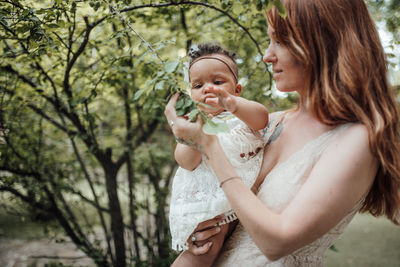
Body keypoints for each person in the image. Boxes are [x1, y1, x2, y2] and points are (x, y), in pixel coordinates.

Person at [165, 0, 400, 266]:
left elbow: (276, 242)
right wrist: (206, 231)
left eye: (280, 41)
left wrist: (208, 145)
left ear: (321, 42)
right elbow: (232, 205)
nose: (267, 55)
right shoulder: (271, 123)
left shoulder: (357, 139)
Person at [169, 43, 269, 252]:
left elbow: (262, 119)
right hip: (207, 205)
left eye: (217, 82)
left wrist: (234, 104)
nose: (207, 89)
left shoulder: (240, 114)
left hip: (236, 198)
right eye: (197, 86)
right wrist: (198, 130)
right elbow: (185, 162)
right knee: (205, 250)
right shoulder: (192, 123)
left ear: (237, 89)